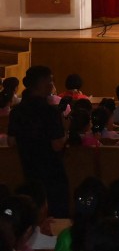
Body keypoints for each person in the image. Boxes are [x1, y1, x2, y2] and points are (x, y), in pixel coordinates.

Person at [8, 66, 70, 218]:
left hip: (28, 167)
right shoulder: (49, 111)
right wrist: (66, 132)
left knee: (32, 212)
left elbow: (11, 141)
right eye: (50, 80)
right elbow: (57, 145)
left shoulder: (17, 110)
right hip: (51, 171)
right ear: (41, 83)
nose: (51, 84)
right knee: (54, 214)